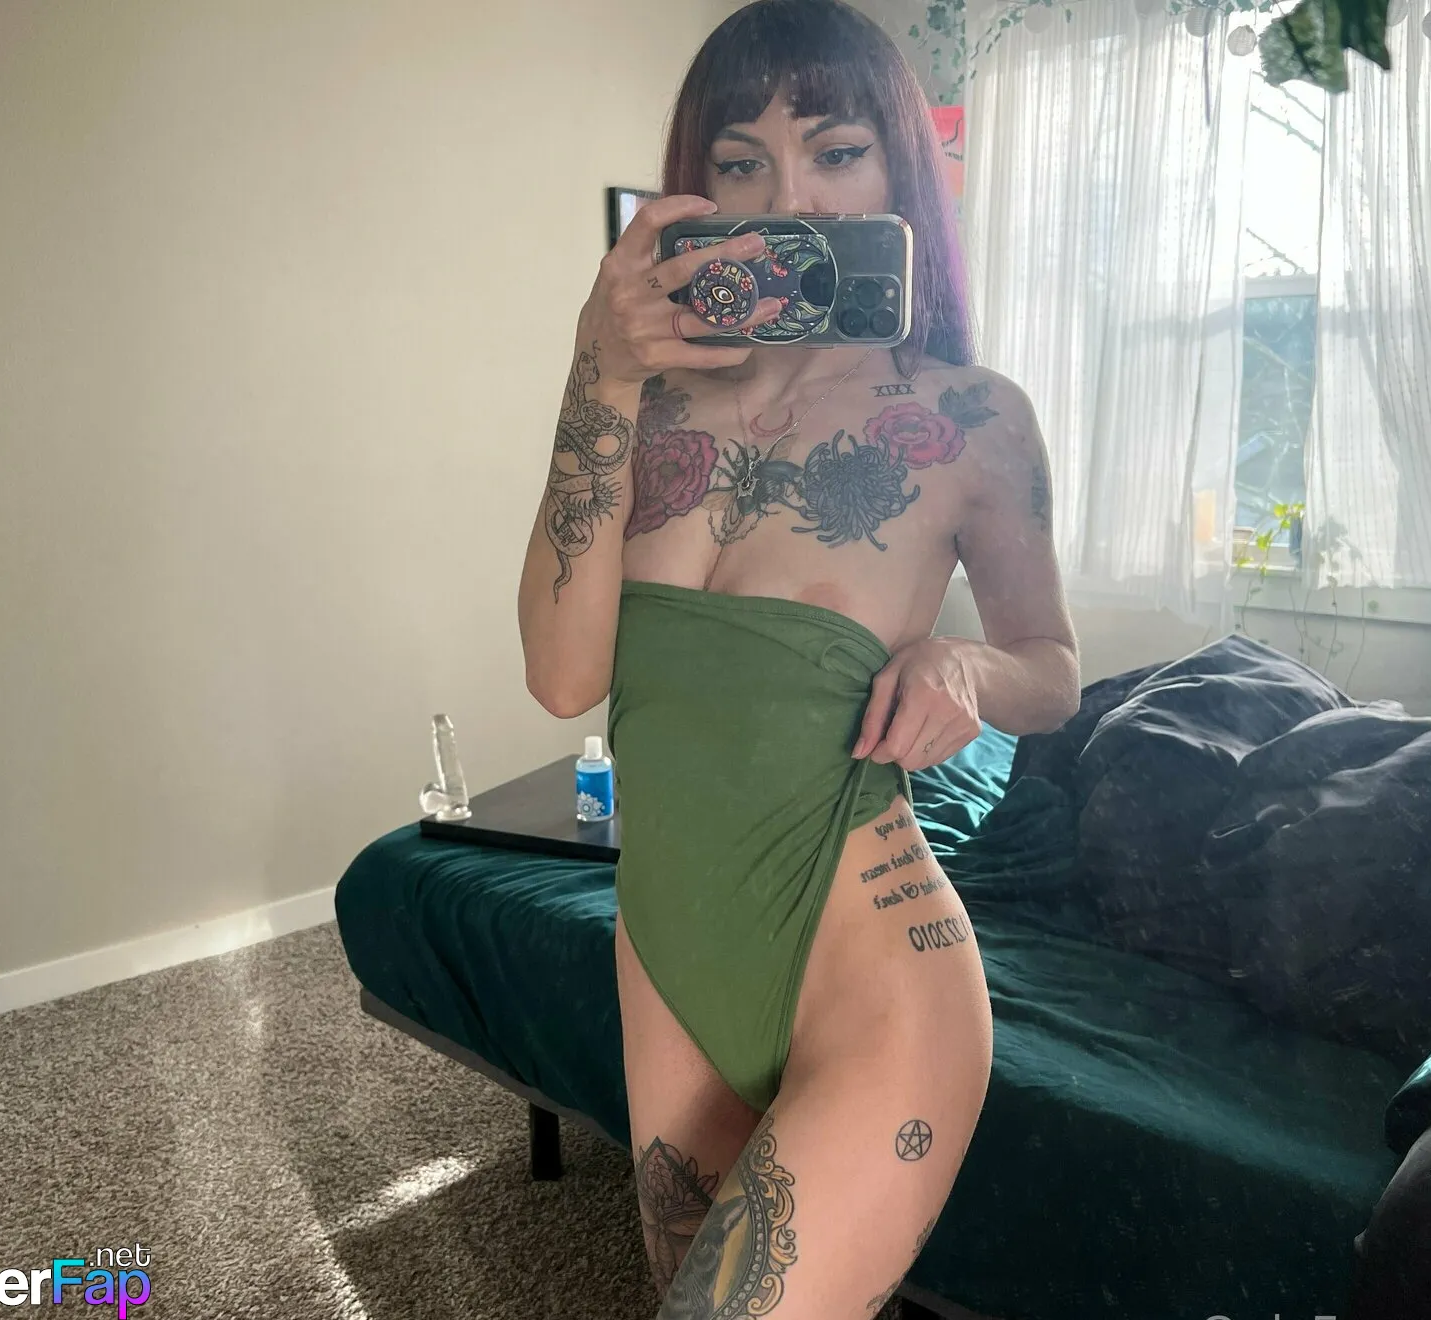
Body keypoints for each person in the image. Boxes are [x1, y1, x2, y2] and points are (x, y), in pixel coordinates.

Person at [516, 2, 1078, 1314]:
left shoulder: (971, 418)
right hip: (667, 958)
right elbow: (560, 678)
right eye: (742, 162)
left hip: (872, 971)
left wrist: (963, 669)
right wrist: (597, 365)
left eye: (835, 151)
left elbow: (1051, 665)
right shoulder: (640, 402)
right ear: (694, 193)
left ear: (897, 170)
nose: (793, 198)